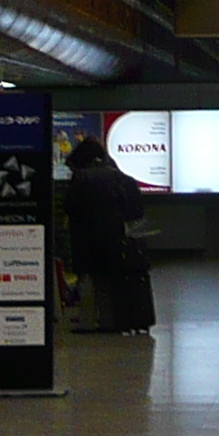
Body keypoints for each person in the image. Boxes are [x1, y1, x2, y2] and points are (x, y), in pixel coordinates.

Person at [62, 135, 151, 334]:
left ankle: (89, 321)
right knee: (114, 282)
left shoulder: (82, 179)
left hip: (89, 240)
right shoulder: (125, 179)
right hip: (123, 242)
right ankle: (116, 320)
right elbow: (137, 212)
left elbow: (70, 207)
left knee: (90, 281)